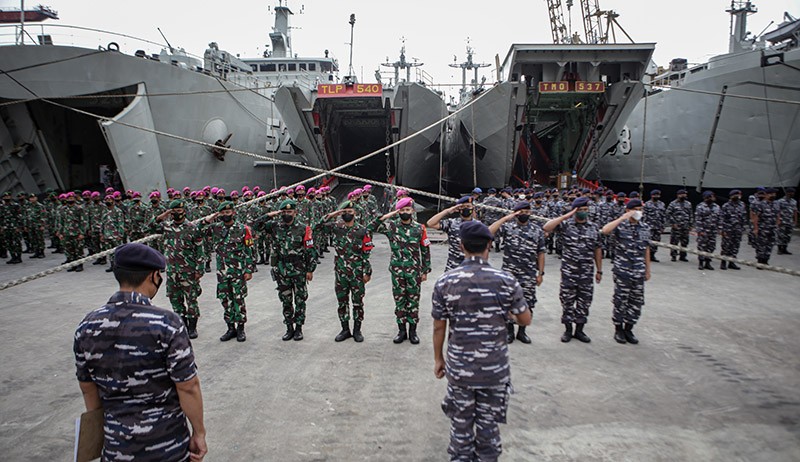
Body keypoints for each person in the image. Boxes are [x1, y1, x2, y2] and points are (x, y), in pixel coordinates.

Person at [73, 243, 207, 462]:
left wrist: (102, 435)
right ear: (154, 276)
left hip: (116, 444)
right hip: (167, 444)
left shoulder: (87, 326)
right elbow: (188, 386)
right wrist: (199, 432)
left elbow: (88, 389)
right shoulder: (167, 324)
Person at [432, 220, 531, 462]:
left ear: (460, 245)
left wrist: (439, 359)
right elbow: (525, 320)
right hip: (494, 369)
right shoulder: (506, 280)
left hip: (461, 368)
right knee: (488, 428)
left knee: (461, 426)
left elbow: (438, 325)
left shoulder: (446, 282)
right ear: (490, 244)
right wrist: (505, 313)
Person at [369, 197, 431, 344]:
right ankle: (401, 331)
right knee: (399, 301)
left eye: (407, 210)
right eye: (402, 210)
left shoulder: (419, 228)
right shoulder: (392, 227)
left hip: (414, 271)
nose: (405, 212)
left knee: (413, 301)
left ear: (412, 211)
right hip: (397, 271)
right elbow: (371, 227)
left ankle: (413, 332)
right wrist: (390, 214)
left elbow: (425, 250)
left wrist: (425, 270)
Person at [543, 196, 603, 343]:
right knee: (567, 300)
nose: (584, 212)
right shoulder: (566, 225)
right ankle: (568, 330)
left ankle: (580, 330)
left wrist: (599, 270)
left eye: (585, 210)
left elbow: (597, 249)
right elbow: (547, 227)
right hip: (569, 271)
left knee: (585, 301)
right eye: (580, 210)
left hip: (586, 272)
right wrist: (567, 215)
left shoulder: (593, 227)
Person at [489, 201, 545, 344]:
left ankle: (522, 332)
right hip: (509, 273)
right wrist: (506, 218)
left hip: (528, 273)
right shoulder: (508, 227)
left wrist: (541, 273)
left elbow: (541, 253)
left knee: (527, 303)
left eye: (527, 212)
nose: (524, 215)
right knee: (507, 303)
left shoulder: (537, 230)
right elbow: (489, 231)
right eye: (521, 212)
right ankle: (509, 332)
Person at [317, 200, 373, 342]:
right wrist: (333, 214)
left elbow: (366, 253)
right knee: (342, 302)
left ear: (355, 213)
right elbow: (317, 227)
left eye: (350, 212)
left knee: (357, 302)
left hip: (357, 272)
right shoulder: (336, 227)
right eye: (345, 212)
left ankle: (357, 330)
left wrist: (367, 272)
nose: (347, 214)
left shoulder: (362, 230)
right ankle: (345, 329)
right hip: (341, 272)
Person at [261, 199, 316, 341]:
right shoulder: (274, 226)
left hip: (298, 269)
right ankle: (289, 328)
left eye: (289, 212)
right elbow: (255, 226)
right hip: (282, 269)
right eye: (284, 212)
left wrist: (310, 269)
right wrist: (270, 215)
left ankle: (298, 329)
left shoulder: (304, 228)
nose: (287, 214)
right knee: (285, 300)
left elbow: (310, 250)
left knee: (300, 300)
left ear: (295, 212)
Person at [152, 200, 206, 339]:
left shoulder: (192, 228)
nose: (177, 213)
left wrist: (200, 269)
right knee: (175, 300)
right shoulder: (167, 227)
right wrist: (162, 215)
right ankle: (183, 326)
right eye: (174, 210)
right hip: (172, 271)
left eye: (179, 210)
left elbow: (200, 249)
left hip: (188, 271)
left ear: (184, 211)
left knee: (191, 300)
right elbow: (150, 226)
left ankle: (192, 328)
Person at [202, 202, 255, 342]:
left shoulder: (243, 229)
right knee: (225, 300)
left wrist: (249, 269)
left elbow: (249, 250)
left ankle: (241, 329)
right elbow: (197, 231)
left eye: (228, 212)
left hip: (237, 271)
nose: (226, 215)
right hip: (222, 272)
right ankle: (230, 328)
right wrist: (208, 219)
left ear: (233, 212)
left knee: (238, 299)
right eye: (223, 213)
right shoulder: (215, 228)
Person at [601, 199, 651, 345]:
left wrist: (648, 269)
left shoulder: (645, 227)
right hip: (623, 270)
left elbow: (646, 249)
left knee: (636, 301)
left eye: (640, 209)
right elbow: (605, 230)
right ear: (628, 210)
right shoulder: (620, 226)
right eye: (635, 209)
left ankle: (629, 328)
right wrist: (622, 217)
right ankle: (618, 329)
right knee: (620, 300)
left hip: (638, 270)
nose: (638, 212)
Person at [426, 196, 474, 271]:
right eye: (463, 207)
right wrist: (447, 211)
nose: (466, 209)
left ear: (472, 208)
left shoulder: (478, 225)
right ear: (459, 209)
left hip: (471, 268)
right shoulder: (452, 223)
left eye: (468, 206)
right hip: (453, 267)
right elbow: (430, 223)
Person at [751, 187, 780, 265]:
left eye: (774, 194)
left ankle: (766, 260)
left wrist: (777, 225)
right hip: (763, 228)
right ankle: (760, 261)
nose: (773, 195)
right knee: (761, 245)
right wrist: (756, 228)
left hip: (773, 228)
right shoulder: (761, 204)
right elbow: (756, 217)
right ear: (766, 195)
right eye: (771, 194)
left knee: (770, 245)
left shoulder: (776, 203)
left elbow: (778, 215)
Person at [720, 189, 747, 270]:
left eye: (738, 195)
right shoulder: (726, 206)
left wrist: (743, 228)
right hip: (728, 230)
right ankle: (723, 263)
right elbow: (722, 218)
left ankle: (732, 262)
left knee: (735, 247)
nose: (737, 197)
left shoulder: (742, 205)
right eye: (735, 195)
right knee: (726, 247)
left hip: (738, 230)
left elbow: (743, 217)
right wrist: (723, 230)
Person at [694, 191, 721, 270]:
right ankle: (701, 262)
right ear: (706, 197)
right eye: (711, 197)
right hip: (704, 230)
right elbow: (698, 219)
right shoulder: (700, 207)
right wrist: (700, 230)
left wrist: (719, 228)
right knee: (702, 246)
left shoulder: (716, 207)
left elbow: (719, 218)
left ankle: (708, 262)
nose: (712, 198)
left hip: (713, 231)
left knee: (711, 247)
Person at [667, 189, 693, 262]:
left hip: (685, 226)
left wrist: (691, 224)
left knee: (684, 242)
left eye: (685, 194)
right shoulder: (673, 204)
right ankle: (673, 255)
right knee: (674, 242)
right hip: (676, 226)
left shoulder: (688, 204)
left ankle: (683, 256)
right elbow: (668, 214)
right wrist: (673, 223)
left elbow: (690, 214)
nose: (684, 195)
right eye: (682, 194)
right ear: (678, 195)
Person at [642, 189, 666, 262]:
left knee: (656, 241)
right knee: (647, 241)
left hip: (658, 226)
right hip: (649, 226)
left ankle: (652, 255)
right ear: (652, 195)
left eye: (658, 195)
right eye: (655, 195)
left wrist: (663, 226)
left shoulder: (662, 204)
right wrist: (644, 226)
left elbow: (663, 216)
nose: (657, 196)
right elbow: (644, 215)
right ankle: (646, 256)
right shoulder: (647, 204)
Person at [776, 187, 797, 255]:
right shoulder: (780, 201)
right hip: (782, 221)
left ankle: (785, 249)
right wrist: (778, 220)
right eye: (791, 192)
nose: (792, 194)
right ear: (787, 193)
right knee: (781, 235)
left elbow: (795, 211)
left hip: (789, 221)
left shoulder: (794, 201)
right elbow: (778, 211)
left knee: (788, 236)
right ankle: (779, 249)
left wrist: (795, 220)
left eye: (793, 192)